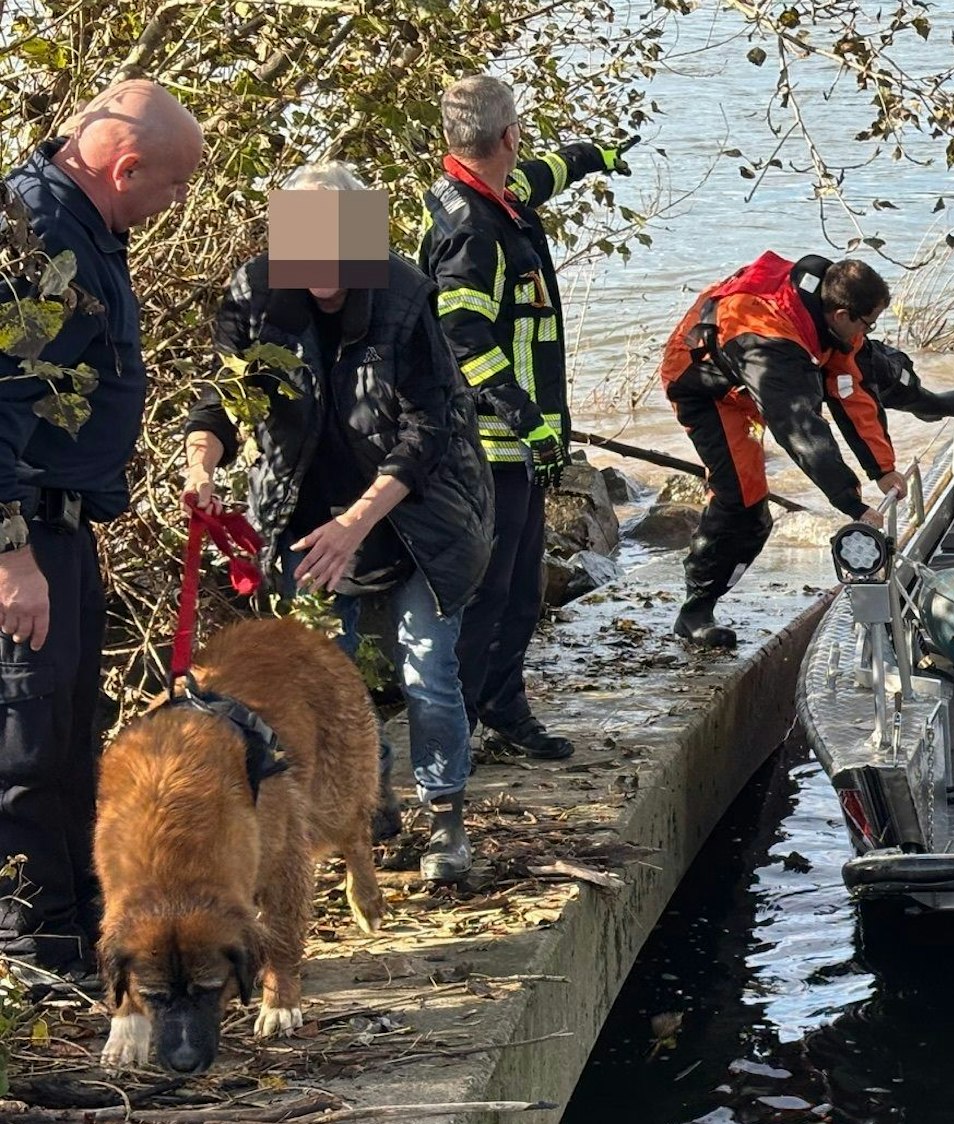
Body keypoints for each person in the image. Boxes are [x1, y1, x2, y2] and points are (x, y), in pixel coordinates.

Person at [185, 161, 494, 884]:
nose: (319, 267)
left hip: (416, 514)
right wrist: (201, 464)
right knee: (327, 681)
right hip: (303, 514)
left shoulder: (405, 293)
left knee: (427, 672)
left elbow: (431, 428)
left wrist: (357, 521)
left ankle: (445, 816)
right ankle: (367, 803)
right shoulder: (254, 293)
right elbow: (227, 400)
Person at [0, 79, 203, 983]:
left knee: (78, 734)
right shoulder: (42, 240)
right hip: (23, 530)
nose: (177, 204)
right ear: (124, 168)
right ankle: (29, 946)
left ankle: (80, 933)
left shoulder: (89, 229)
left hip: (62, 525)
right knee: (28, 738)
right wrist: (12, 558)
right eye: (173, 187)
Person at [419, 75, 634, 762]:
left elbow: (535, 178)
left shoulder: (484, 195)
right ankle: (468, 725)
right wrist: (528, 422)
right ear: (507, 136)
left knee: (516, 589)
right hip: (495, 446)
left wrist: (591, 155)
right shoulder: (474, 233)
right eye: (519, 136)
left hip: (515, 444)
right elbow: (463, 338)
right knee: (493, 594)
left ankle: (501, 707)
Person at [656, 253, 906, 648]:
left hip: (747, 375)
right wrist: (851, 502)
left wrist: (883, 469)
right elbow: (800, 428)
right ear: (841, 314)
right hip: (704, 387)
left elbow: (851, 394)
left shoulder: (827, 314)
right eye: (867, 323)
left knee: (756, 515)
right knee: (742, 500)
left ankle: (707, 595)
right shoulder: (773, 344)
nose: (868, 332)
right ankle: (695, 610)